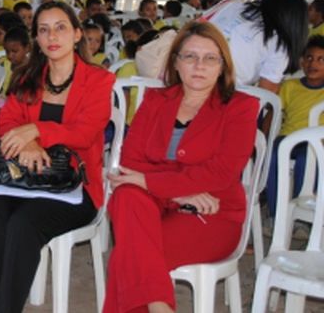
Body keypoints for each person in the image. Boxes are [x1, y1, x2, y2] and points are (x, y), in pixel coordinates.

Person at [103, 21, 259, 313]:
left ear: (223, 65)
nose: (199, 65)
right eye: (190, 56)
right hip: (163, 203)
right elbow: (130, 163)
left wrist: (154, 183)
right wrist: (177, 193)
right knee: (126, 196)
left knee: (129, 257)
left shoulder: (241, 107)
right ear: (175, 63)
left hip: (213, 212)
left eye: (210, 58)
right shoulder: (155, 100)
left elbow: (221, 172)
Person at [0, 1, 114, 313]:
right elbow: (6, 122)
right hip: (22, 177)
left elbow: (85, 133)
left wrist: (36, 131)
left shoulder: (98, 80)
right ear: (35, 38)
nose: (53, 36)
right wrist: (28, 144)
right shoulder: (28, 77)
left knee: (23, 224)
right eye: (44, 29)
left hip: (73, 186)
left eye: (61, 27)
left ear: (77, 34)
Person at [264, 35, 324, 221]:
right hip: (288, 137)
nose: (313, 63)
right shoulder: (290, 86)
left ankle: (300, 216)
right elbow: (273, 114)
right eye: (309, 58)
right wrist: (264, 138)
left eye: (321, 60)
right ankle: (276, 214)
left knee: (308, 159)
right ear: (301, 61)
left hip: (316, 141)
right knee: (273, 154)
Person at [204, 0, 308, 92]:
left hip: (190, 73)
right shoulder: (279, 45)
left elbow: (198, 24)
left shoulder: (232, 5)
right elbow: (267, 91)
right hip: (218, 93)